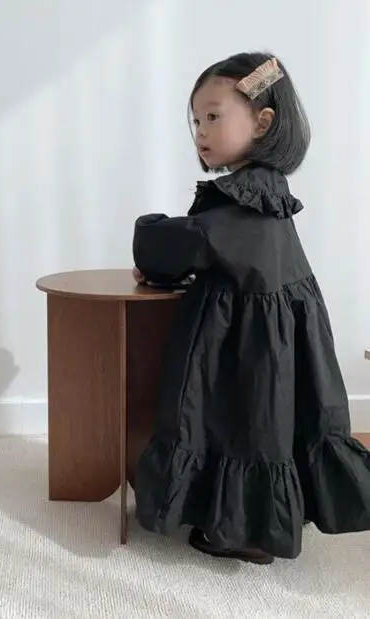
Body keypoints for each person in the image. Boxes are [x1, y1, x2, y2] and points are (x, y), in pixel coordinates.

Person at [131, 51, 370, 565]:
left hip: (247, 342)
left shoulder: (242, 203)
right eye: (196, 120)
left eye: (213, 116)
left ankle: (246, 529)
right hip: (270, 335)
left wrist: (148, 229)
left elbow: (175, 245)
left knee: (244, 425)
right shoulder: (267, 193)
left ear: (263, 123)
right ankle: (256, 519)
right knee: (263, 426)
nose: (201, 131)